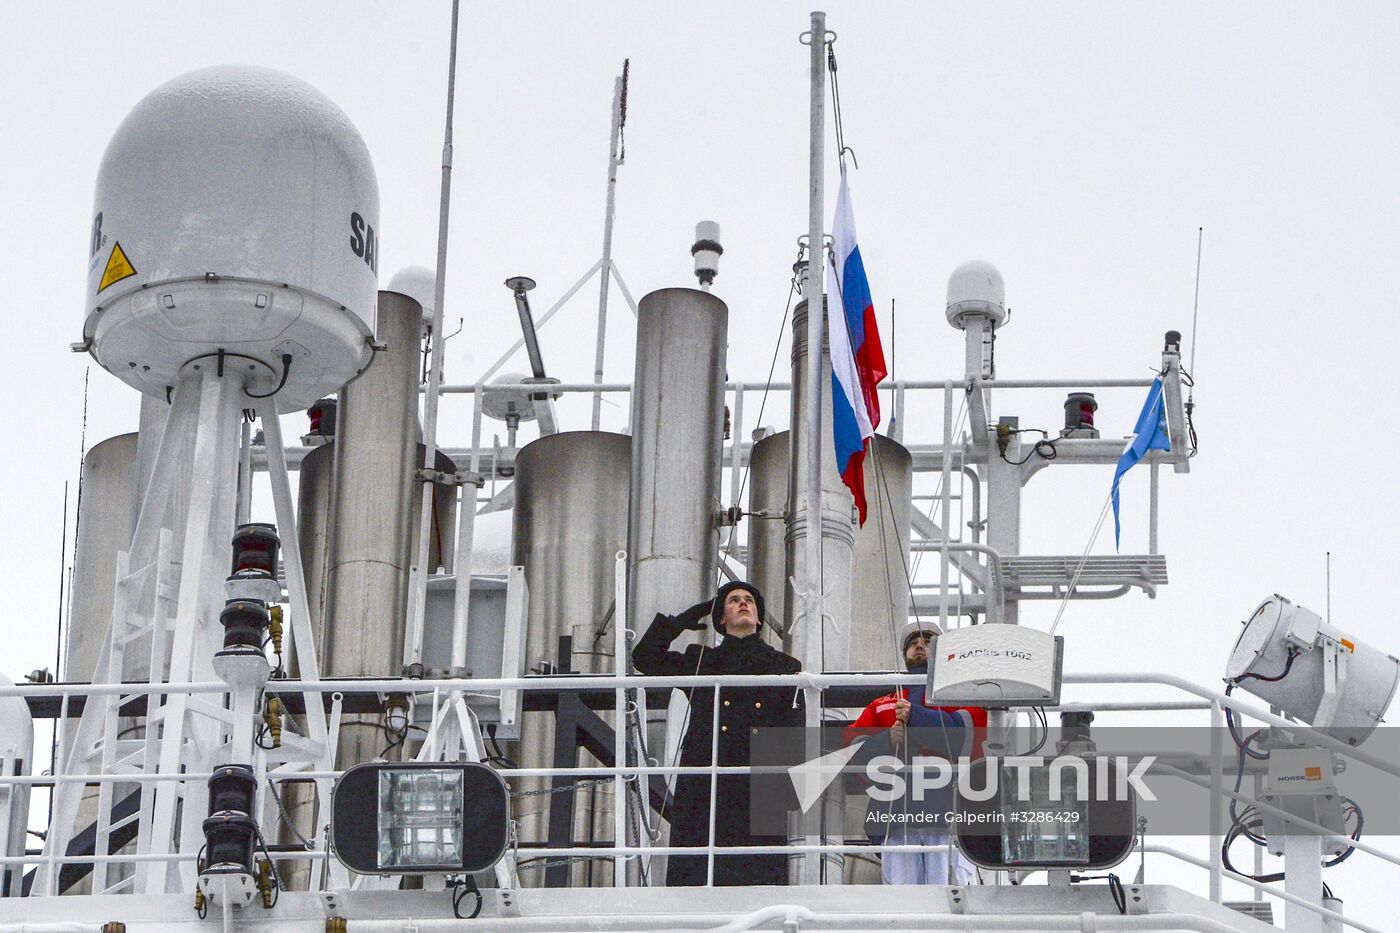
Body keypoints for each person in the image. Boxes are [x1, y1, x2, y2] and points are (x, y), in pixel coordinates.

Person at [632, 580, 804, 886]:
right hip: (704, 780)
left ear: (759, 617)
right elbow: (645, 658)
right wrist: (683, 620)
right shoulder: (701, 660)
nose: (742, 603)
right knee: (697, 872)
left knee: (759, 878)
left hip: (758, 780)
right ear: (720, 618)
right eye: (733, 600)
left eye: (749, 600)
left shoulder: (784, 665)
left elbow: (793, 727)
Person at [843, 620, 986, 885]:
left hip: (950, 817)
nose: (920, 645)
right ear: (905, 653)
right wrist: (887, 740)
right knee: (903, 902)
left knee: (951, 896)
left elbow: (967, 737)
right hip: (896, 818)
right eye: (913, 642)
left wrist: (915, 716)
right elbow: (852, 750)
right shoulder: (881, 705)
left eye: (928, 640)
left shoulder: (962, 698)